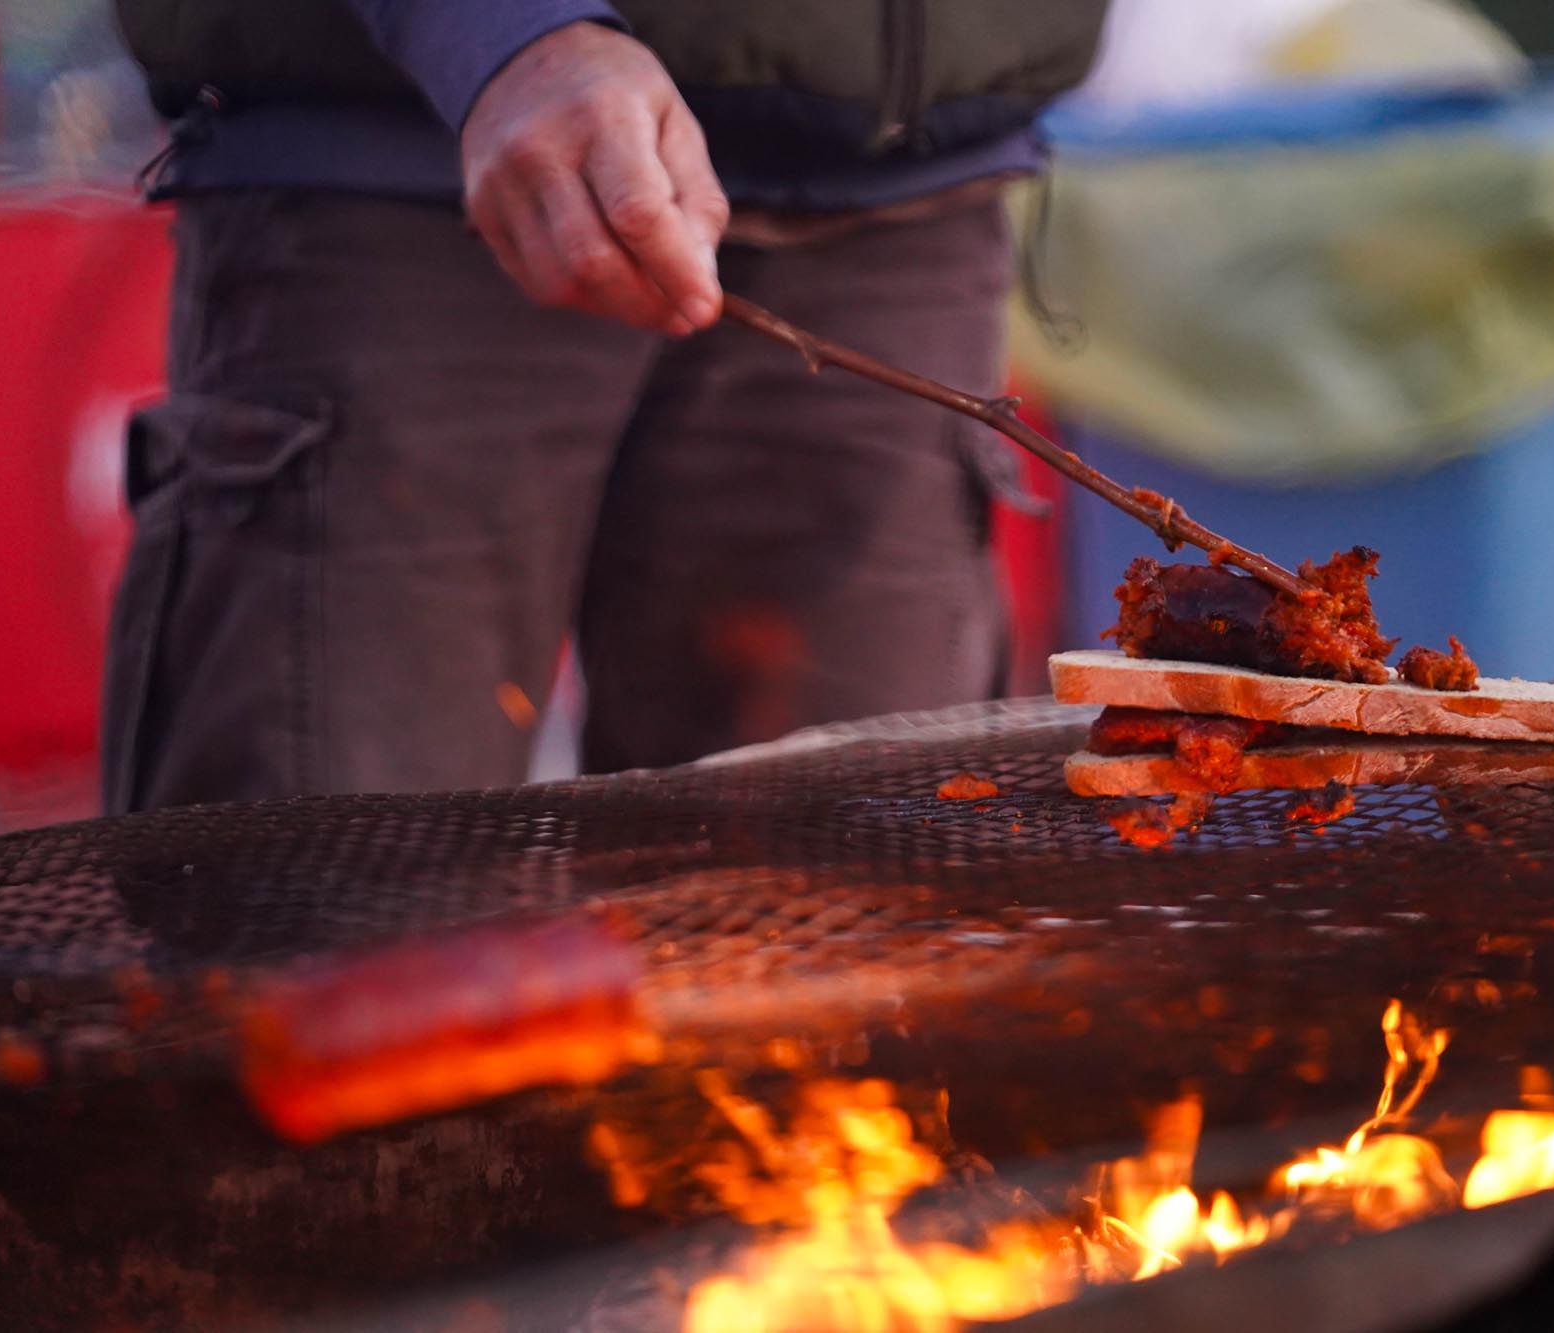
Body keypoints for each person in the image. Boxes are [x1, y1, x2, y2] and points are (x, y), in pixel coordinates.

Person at [100, 2, 1107, 813]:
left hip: (907, 198)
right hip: (397, 182)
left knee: (870, 960)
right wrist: (501, 32)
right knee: (324, 931)